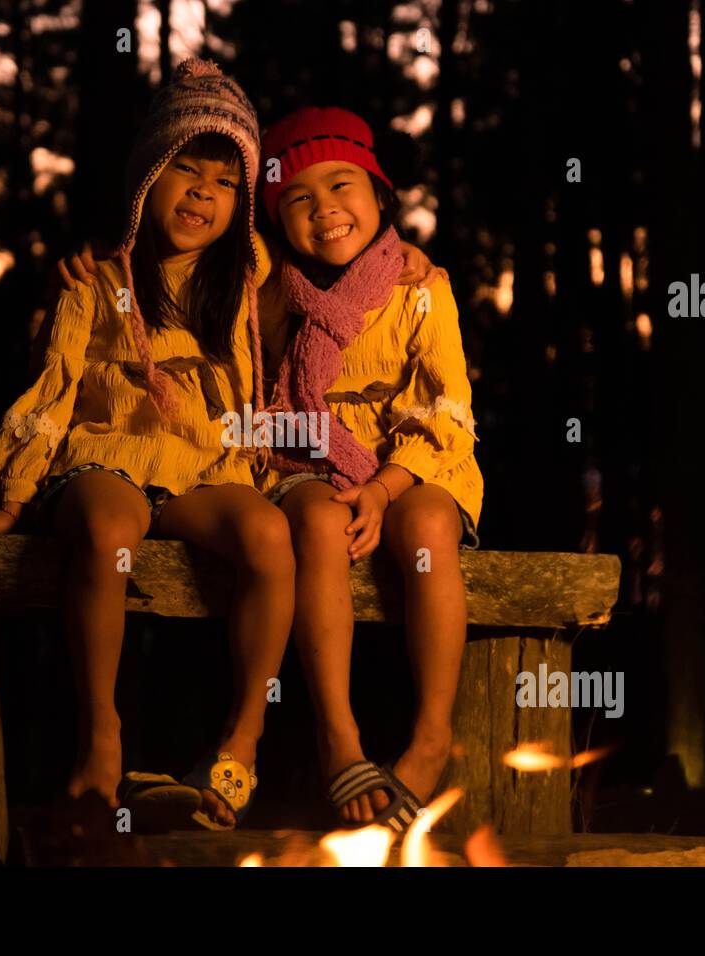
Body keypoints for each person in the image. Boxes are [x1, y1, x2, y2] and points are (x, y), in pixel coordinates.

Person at [0, 60, 292, 831]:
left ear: (243, 201)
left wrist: (407, 262)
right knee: (108, 528)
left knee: (266, 533)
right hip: (108, 453)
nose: (201, 194)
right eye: (184, 171)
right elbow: (54, 388)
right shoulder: (95, 278)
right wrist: (16, 500)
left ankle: (242, 744)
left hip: (204, 464)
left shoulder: (249, 277)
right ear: (144, 176)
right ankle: (101, 736)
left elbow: (338, 286)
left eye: (224, 183)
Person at [258, 106, 484, 832]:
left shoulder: (421, 287)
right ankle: (338, 734)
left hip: (415, 463)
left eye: (341, 185)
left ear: (381, 196)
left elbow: (445, 408)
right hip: (307, 460)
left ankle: (431, 734)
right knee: (318, 524)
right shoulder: (268, 291)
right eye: (298, 197)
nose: (324, 208)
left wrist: (385, 487)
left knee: (426, 527)